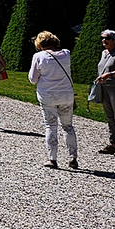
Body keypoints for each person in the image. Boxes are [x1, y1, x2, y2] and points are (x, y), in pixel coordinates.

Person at [28, 31, 79, 169]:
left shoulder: (39, 56)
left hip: (48, 96)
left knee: (51, 126)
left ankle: (52, 159)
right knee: (68, 126)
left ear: (40, 43)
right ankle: (72, 157)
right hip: (66, 95)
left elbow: (32, 79)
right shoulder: (66, 53)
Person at [95, 29, 115, 158]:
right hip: (104, 87)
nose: (104, 40)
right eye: (103, 38)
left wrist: (109, 74)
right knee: (109, 116)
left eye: (107, 38)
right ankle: (113, 144)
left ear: (114, 40)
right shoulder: (104, 53)